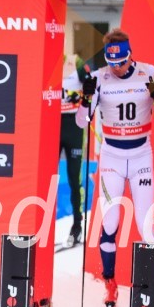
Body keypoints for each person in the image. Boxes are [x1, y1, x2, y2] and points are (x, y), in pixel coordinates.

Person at [75, 28, 154, 307]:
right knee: (109, 223)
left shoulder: (148, 73)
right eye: (111, 63)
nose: (117, 68)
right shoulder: (98, 78)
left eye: (120, 62)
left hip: (141, 155)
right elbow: (82, 123)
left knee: (147, 225)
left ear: (129, 55)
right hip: (111, 156)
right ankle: (110, 282)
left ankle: (151, 288)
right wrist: (85, 100)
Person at [60, 61, 86, 248]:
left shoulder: (75, 65)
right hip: (52, 123)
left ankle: (77, 225)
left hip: (74, 126)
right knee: (46, 179)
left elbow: (94, 91)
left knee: (73, 179)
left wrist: (79, 96)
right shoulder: (42, 63)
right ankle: (40, 225)